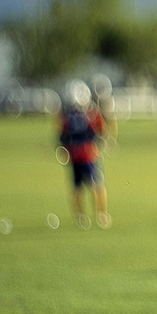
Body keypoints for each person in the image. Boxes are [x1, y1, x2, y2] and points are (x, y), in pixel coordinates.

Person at [58, 81, 110, 229]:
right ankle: (91, 215)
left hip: (83, 155)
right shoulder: (85, 114)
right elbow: (64, 135)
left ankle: (92, 215)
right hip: (82, 156)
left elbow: (63, 136)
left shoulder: (81, 114)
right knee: (86, 187)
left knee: (87, 186)